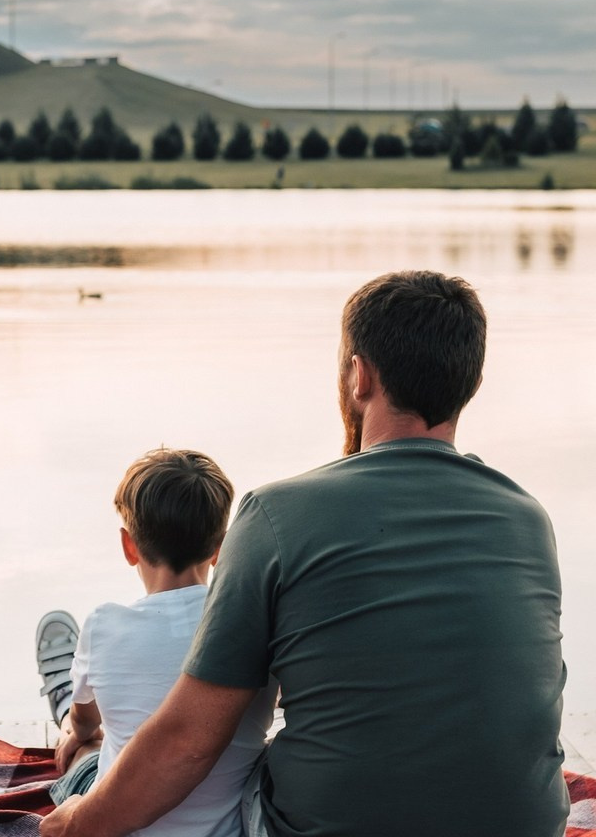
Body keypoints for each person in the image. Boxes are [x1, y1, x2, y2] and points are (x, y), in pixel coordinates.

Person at [42, 270, 569, 837]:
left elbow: (186, 747)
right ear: (471, 380)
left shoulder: (275, 515)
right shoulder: (527, 518)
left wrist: (68, 827)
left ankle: (71, 714)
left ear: (358, 376)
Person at [35, 448, 274, 836]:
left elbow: (87, 720)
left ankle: (64, 699)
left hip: (111, 821)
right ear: (221, 549)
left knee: (88, 752)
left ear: (129, 546)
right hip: (230, 830)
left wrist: (77, 730)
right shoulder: (256, 625)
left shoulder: (103, 625)